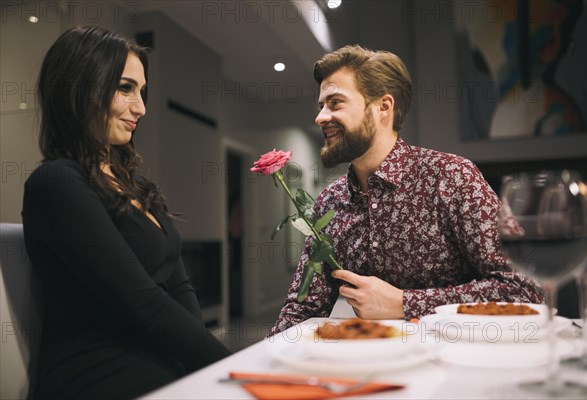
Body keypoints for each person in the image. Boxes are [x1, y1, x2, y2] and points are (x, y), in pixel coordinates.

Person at [270, 45, 544, 335]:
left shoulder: (451, 177)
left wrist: (405, 302)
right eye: (321, 106)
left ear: (383, 107)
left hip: (457, 363)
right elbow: (304, 307)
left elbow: (525, 287)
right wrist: (265, 358)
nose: (321, 117)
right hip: (369, 365)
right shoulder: (329, 202)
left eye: (335, 103)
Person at [22, 26, 230, 399]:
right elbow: (144, 305)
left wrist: (215, 371)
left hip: (167, 365)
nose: (141, 108)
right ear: (80, 87)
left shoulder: (131, 183)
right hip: (102, 376)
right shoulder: (56, 183)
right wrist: (236, 372)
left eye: (141, 91)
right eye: (125, 88)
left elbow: (179, 287)